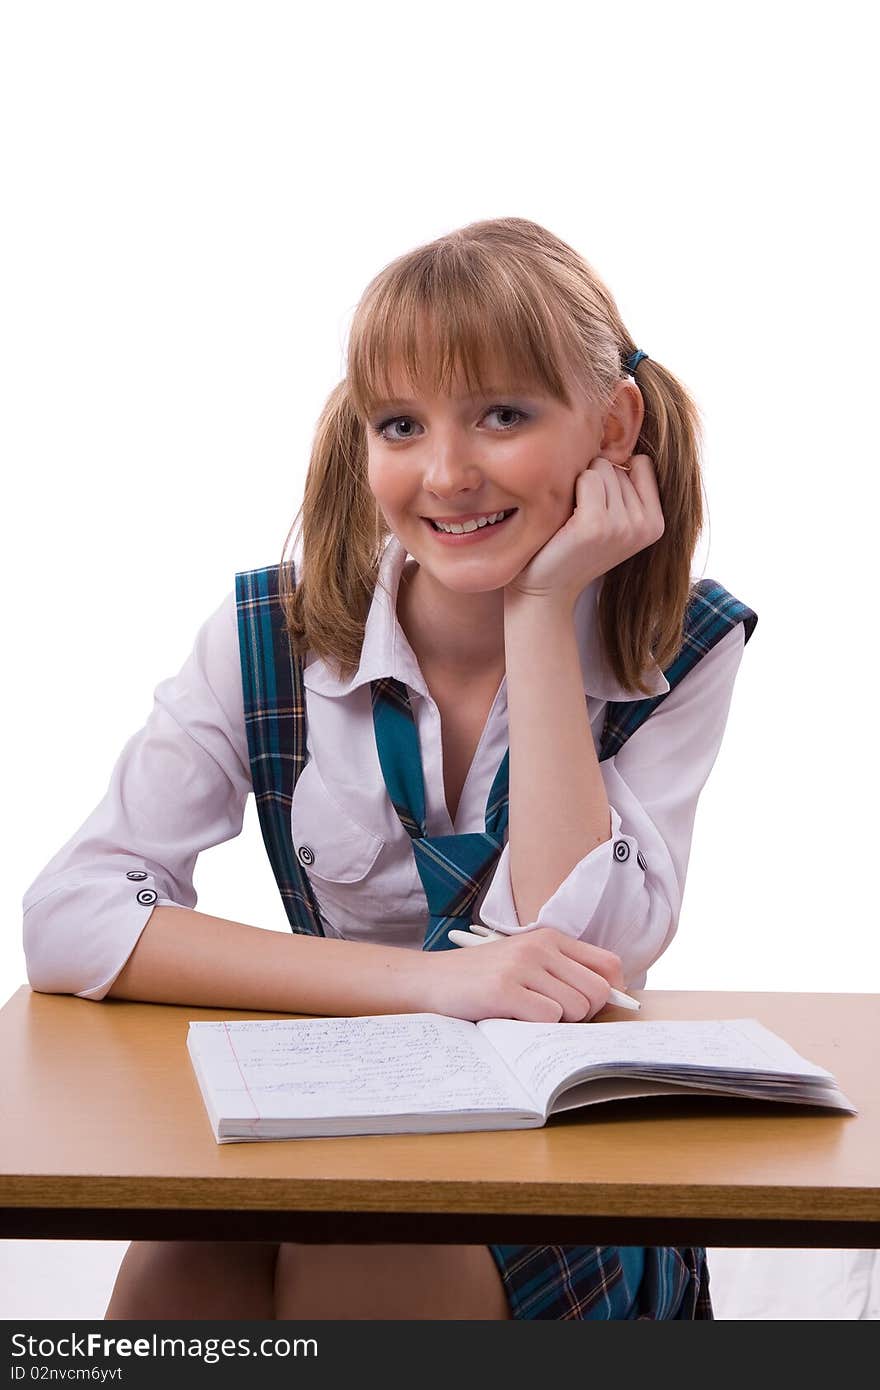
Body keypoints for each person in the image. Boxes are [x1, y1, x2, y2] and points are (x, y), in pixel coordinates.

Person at [22, 215, 757, 1320]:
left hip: (553, 1163)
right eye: (401, 424)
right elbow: (70, 915)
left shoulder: (675, 642)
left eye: (502, 415)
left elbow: (579, 952)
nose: (448, 475)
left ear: (613, 425)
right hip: (332, 1119)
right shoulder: (267, 631)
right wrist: (431, 982)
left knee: (364, 1253)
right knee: (185, 1265)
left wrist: (544, 610)